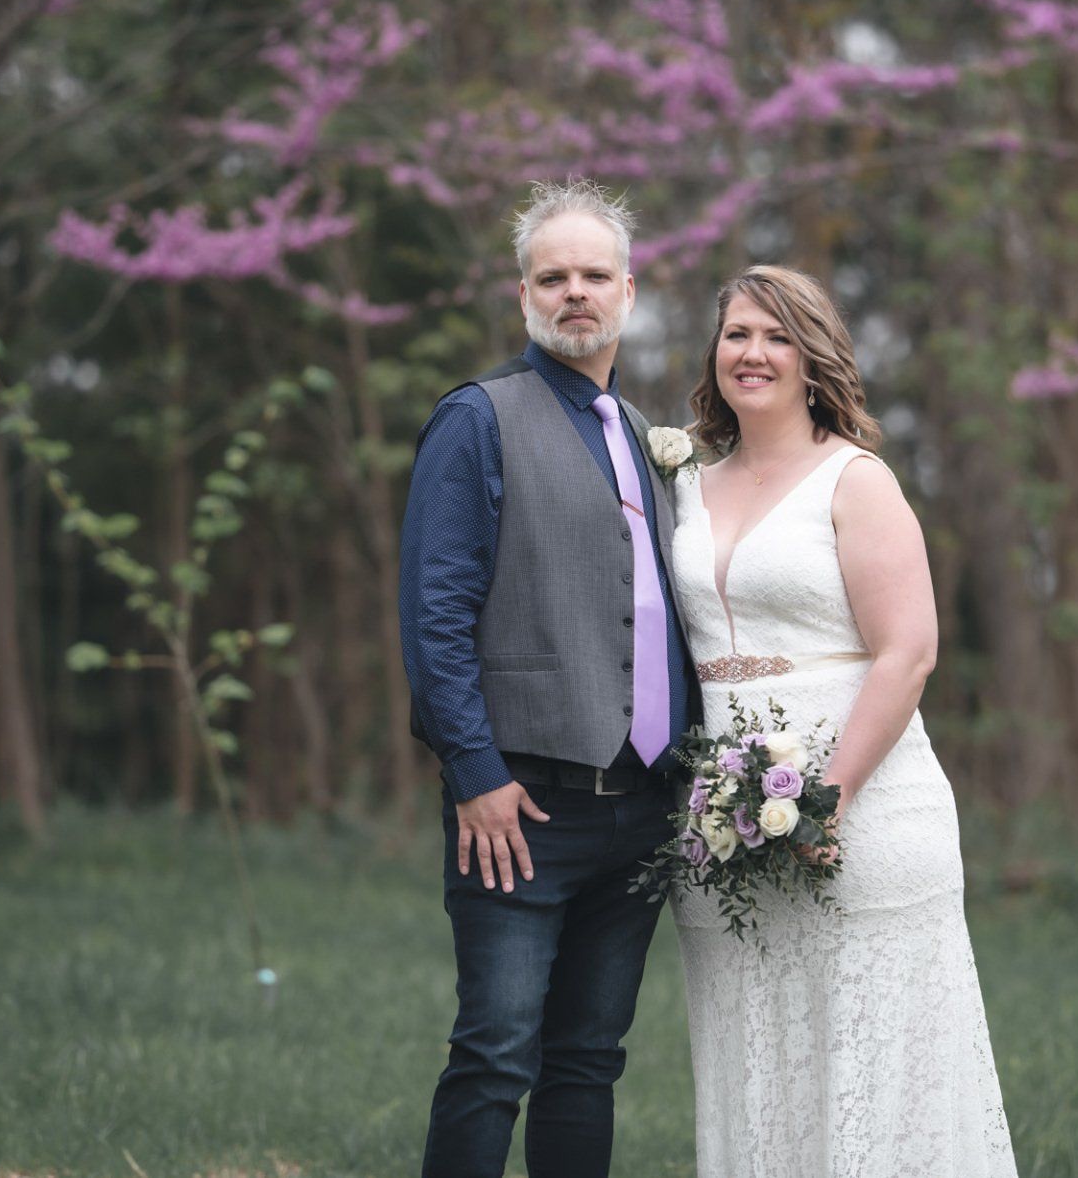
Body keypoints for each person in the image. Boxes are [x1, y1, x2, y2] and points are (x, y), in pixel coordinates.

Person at [668, 265, 1017, 1177]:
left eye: (778, 336)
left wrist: (826, 798)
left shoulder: (855, 480)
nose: (754, 353)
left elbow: (909, 652)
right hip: (722, 835)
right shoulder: (686, 488)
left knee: (875, 1074)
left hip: (862, 819)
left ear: (813, 357)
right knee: (760, 1068)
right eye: (738, 333)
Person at [399, 178, 698, 1178]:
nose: (576, 291)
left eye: (595, 274)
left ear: (629, 290)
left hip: (642, 810)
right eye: (553, 275)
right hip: (520, 807)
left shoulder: (647, 437)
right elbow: (433, 618)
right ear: (522, 294)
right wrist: (475, 773)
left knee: (588, 1063)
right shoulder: (476, 421)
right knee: (494, 1059)